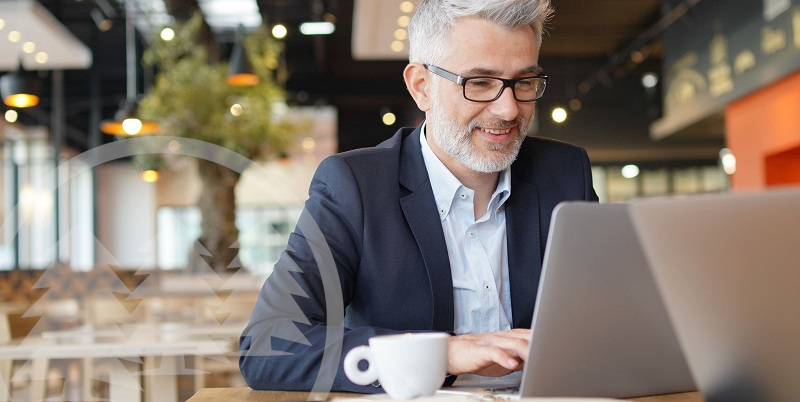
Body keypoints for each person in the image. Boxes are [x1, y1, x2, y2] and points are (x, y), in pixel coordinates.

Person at [240, 0, 598, 393]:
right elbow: (268, 345)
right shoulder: (355, 187)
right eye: (480, 83)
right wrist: (442, 353)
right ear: (421, 87)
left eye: (524, 82)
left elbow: (614, 316)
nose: (508, 109)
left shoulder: (565, 174)